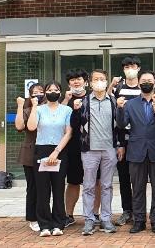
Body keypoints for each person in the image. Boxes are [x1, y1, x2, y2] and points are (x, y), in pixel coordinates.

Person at [115, 70, 155, 234]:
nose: (147, 83)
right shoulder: (130, 104)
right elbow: (121, 124)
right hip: (136, 151)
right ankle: (139, 221)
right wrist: (119, 108)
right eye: (144, 80)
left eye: (150, 80)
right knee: (137, 188)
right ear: (139, 83)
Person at [72, 69, 123, 235]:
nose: (99, 82)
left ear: (107, 82)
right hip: (89, 150)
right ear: (90, 82)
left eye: (102, 79)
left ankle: (106, 219)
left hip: (109, 149)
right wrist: (76, 110)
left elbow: (120, 126)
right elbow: (74, 125)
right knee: (88, 186)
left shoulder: (113, 101)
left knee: (107, 186)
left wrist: (120, 145)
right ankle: (89, 220)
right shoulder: (84, 102)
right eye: (96, 79)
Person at [27, 81, 73, 237]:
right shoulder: (39, 109)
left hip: (60, 149)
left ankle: (58, 223)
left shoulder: (66, 110)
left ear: (60, 92)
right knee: (42, 190)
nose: (53, 92)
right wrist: (34, 106)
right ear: (45, 92)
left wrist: (56, 152)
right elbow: (31, 127)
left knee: (58, 189)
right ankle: (44, 225)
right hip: (41, 150)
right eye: (50, 89)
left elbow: (68, 132)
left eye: (56, 89)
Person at [109, 56, 142, 226]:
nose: (130, 69)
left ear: (138, 68)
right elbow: (113, 116)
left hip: (139, 140)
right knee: (124, 177)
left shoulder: (143, 88)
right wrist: (119, 143)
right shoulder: (118, 89)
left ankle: (138, 211)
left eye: (133, 66)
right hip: (123, 140)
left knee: (138, 178)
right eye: (127, 67)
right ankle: (127, 211)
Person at [15, 83, 46, 233]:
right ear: (30, 94)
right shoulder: (27, 110)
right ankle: (33, 218)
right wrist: (21, 106)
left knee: (45, 187)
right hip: (30, 152)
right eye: (35, 92)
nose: (38, 94)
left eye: (41, 91)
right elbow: (19, 126)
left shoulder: (48, 110)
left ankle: (45, 215)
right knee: (33, 187)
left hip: (47, 152)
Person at [63, 68, 92, 228]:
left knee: (96, 181)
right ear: (69, 83)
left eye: (79, 79)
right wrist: (65, 100)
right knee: (73, 181)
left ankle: (94, 214)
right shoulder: (65, 99)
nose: (76, 82)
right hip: (72, 147)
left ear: (85, 82)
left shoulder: (92, 98)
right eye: (72, 79)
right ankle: (68, 215)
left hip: (93, 146)